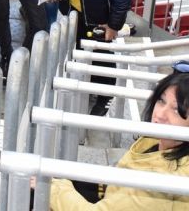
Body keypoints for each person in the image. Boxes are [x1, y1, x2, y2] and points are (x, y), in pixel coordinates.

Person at [48, 65, 189, 209]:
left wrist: (52, 189)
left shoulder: (163, 182)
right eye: (161, 101)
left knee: (42, 188)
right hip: (114, 194)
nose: (160, 114)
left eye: (177, 110)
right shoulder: (154, 141)